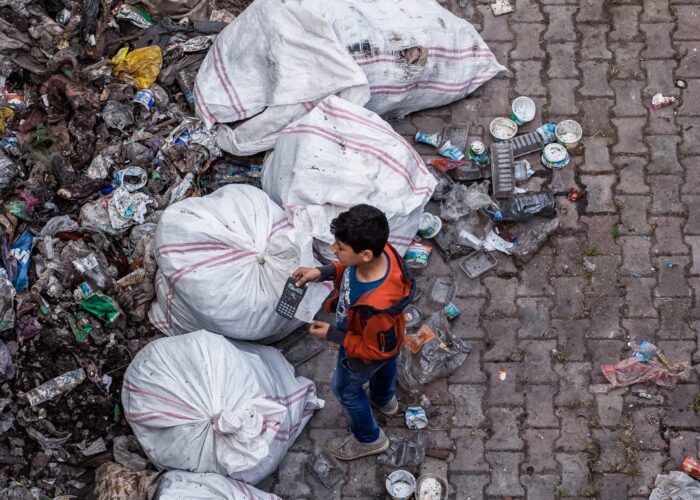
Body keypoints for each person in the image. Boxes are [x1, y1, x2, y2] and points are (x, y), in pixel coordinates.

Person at [292, 204, 415, 460]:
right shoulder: (385, 253)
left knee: (345, 390)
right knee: (386, 365)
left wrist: (334, 336)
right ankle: (384, 400)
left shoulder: (378, 309)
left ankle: (369, 439)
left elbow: (372, 350)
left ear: (366, 255)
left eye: (340, 247)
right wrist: (323, 272)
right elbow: (348, 271)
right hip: (385, 345)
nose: (334, 249)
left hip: (365, 351)